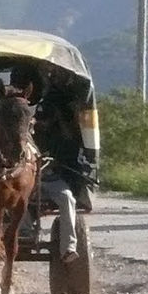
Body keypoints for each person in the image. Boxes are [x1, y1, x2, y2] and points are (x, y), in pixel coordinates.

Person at [34, 103, 83, 263]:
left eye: (46, 118)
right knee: (17, 198)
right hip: (29, 181)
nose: (42, 122)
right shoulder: (24, 133)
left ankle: (69, 248)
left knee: (68, 198)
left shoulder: (60, 137)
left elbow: (69, 153)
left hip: (52, 179)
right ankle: (25, 234)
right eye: (39, 118)